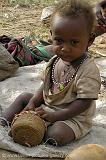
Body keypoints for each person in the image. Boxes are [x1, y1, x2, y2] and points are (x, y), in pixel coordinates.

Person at [1, 0, 101, 146]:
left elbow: (84, 102)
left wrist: (56, 116)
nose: (65, 48)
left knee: (56, 135)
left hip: (72, 117)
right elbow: (45, 86)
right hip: (48, 108)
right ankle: (4, 122)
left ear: (89, 40)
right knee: (24, 97)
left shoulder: (88, 70)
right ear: (51, 36)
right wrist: (33, 102)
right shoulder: (54, 61)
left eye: (74, 42)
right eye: (59, 40)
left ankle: (35, 131)